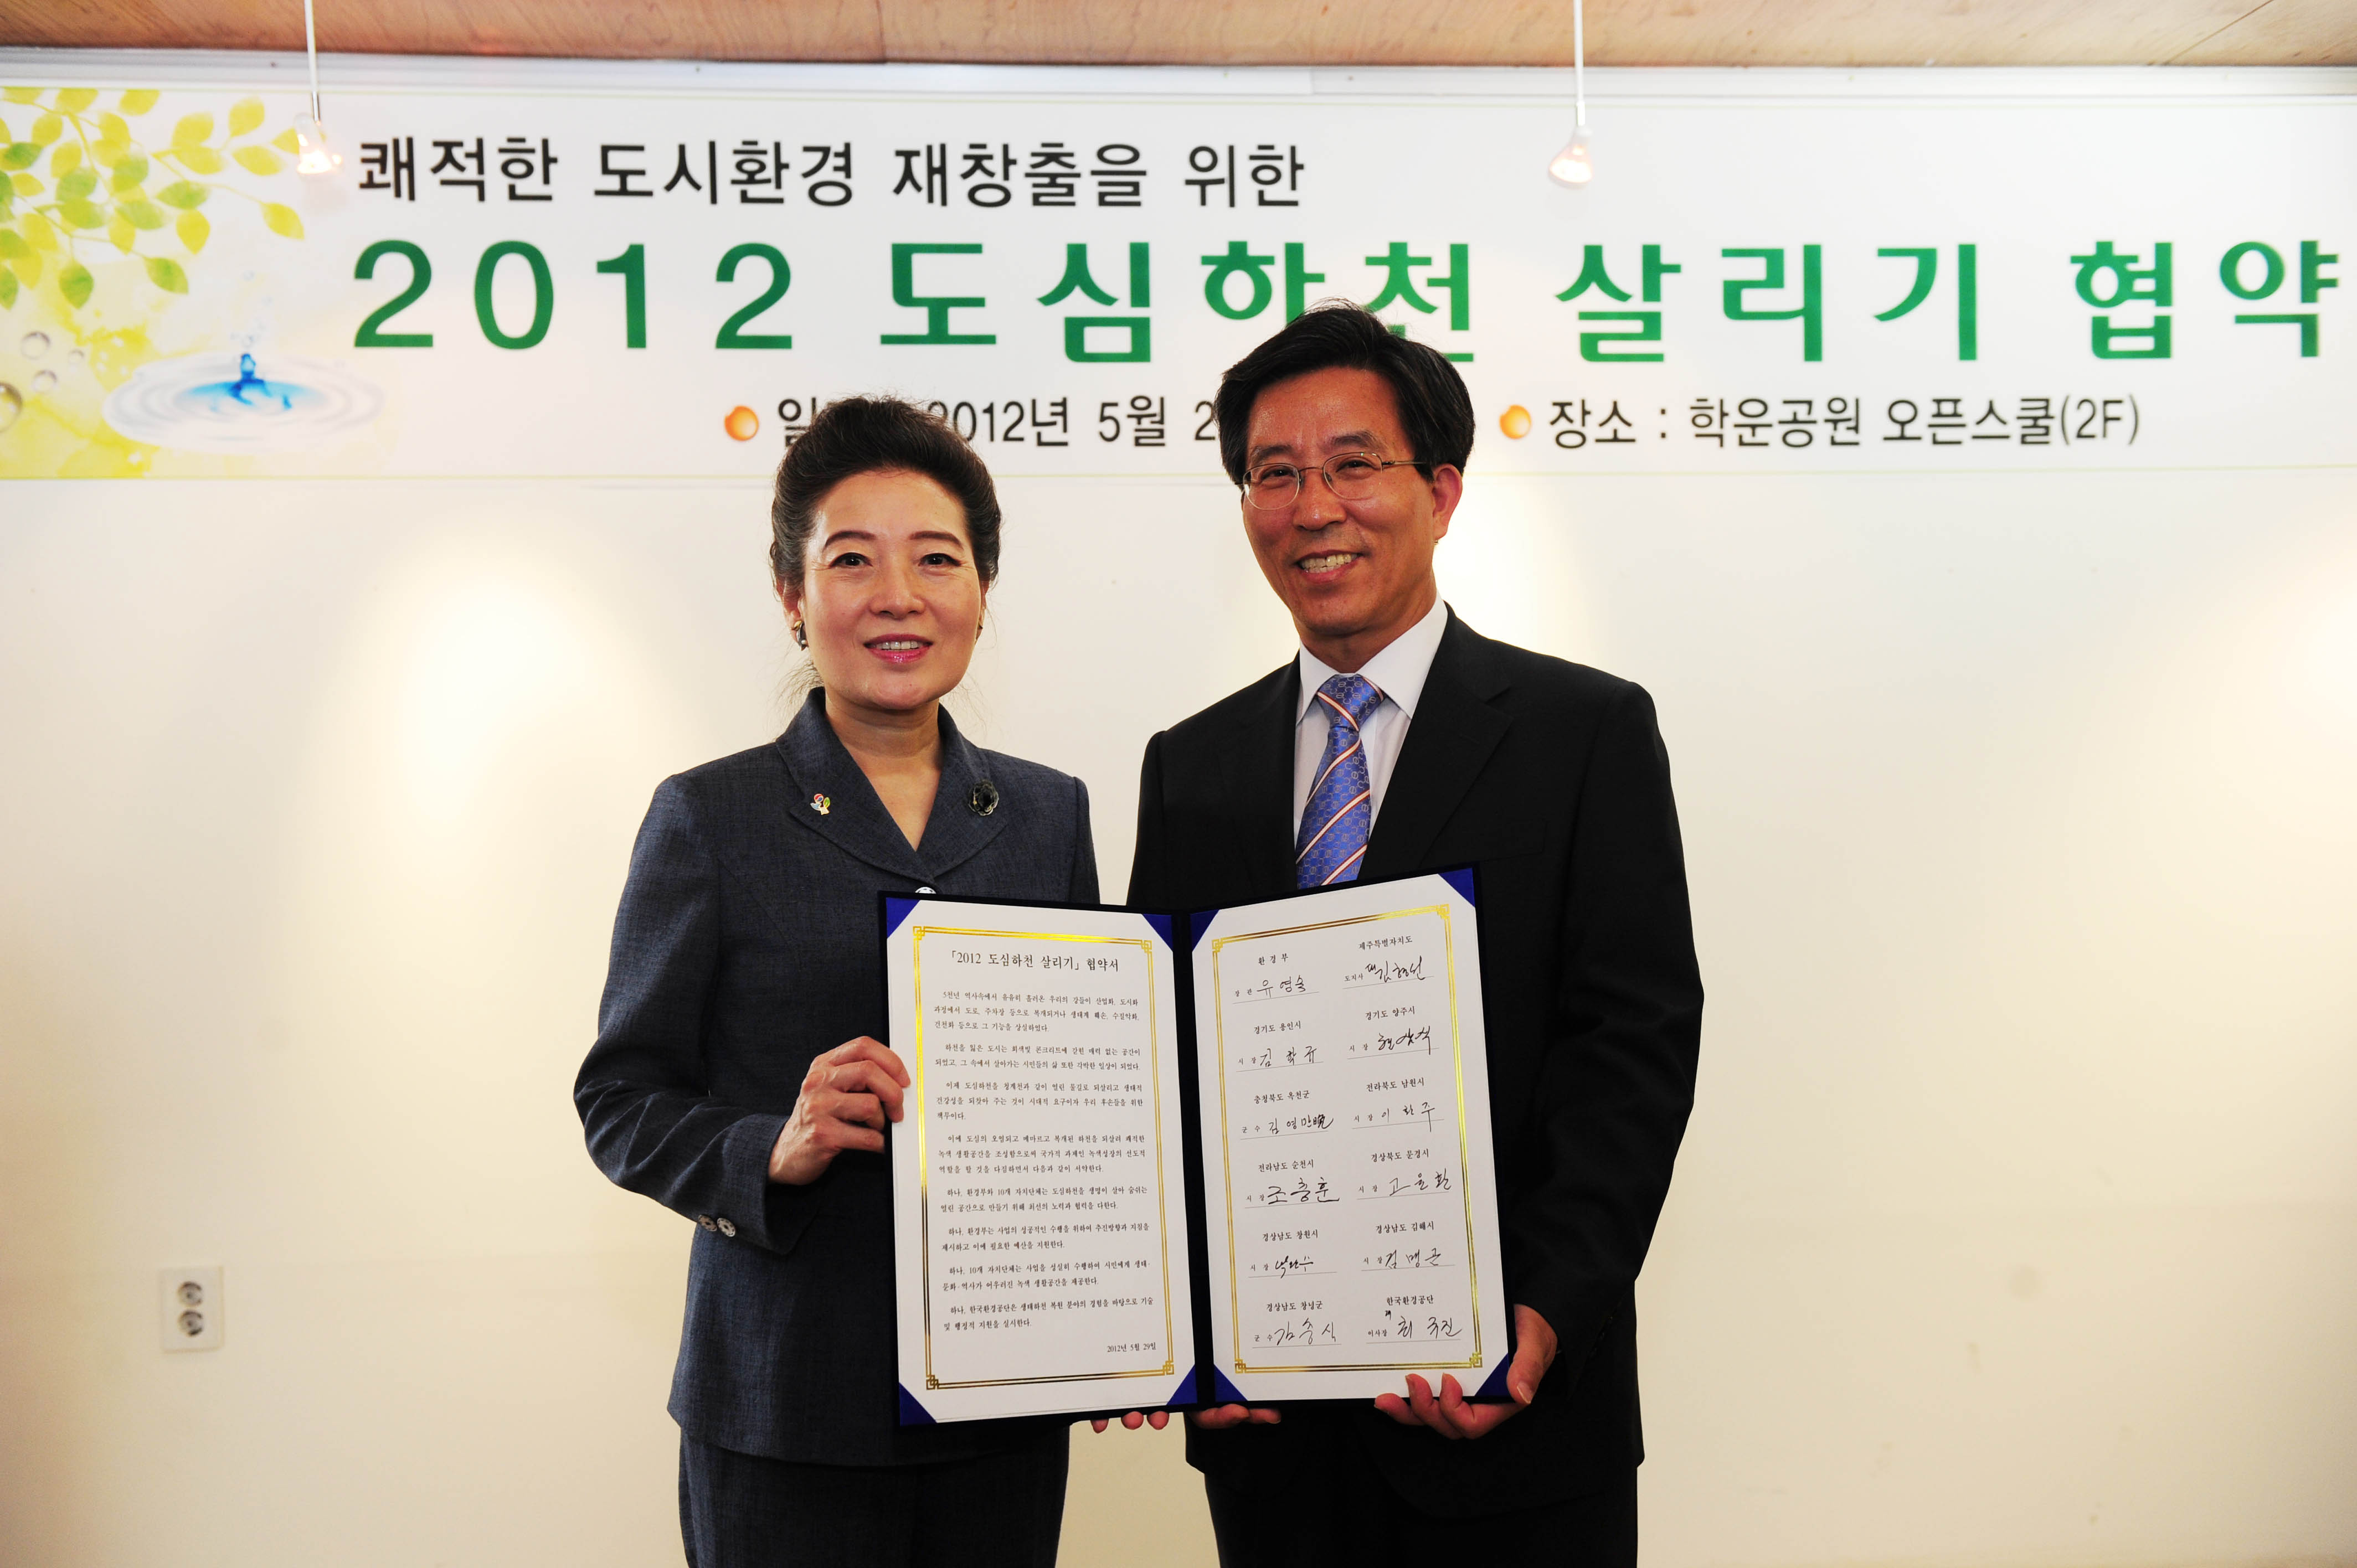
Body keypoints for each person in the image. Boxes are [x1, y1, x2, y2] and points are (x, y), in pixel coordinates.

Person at [1122, 303, 1703, 1565]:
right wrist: (1173, 1330)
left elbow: (1634, 1047)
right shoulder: (1191, 766)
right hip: (1272, 1437)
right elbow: (1159, 1080)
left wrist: (1542, 1313)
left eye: (1353, 464)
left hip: (1511, 1418)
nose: (1313, 507)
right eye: (1274, 475)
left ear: (1440, 492)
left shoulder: (1583, 732)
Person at [575, 396, 1095, 1568]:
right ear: (791, 595)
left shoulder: (1047, 815)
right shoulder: (710, 815)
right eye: (852, 559)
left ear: (982, 592)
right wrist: (773, 1144)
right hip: (786, 1405)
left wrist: (1125, 1322)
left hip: (1003, 1401)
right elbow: (620, 1101)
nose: (897, 595)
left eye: (937, 559)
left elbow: (1092, 1098)